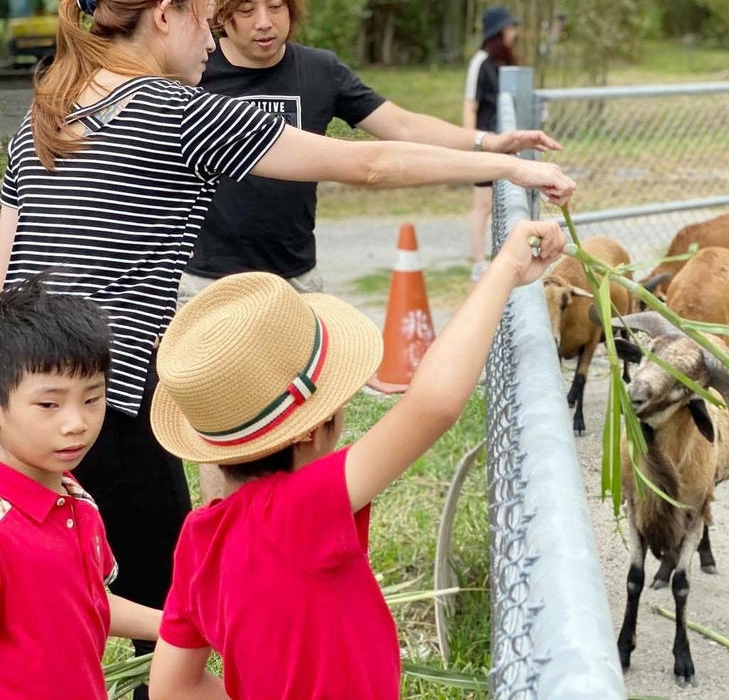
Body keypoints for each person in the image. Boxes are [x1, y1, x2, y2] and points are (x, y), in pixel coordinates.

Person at [0, 0, 574, 687]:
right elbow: (363, 162)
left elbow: (8, 265)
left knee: (58, 596)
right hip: (111, 402)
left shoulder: (48, 111)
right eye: (208, 19)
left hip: (26, 397)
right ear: (166, 16)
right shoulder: (174, 109)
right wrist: (504, 165)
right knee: (177, 609)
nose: (214, 38)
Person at [146, 219, 565, 699]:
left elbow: (172, 687)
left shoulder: (199, 542)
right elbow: (434, 404)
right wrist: (507, 268)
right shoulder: (301, 509)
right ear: (310, 429)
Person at [179, 0, 561, 307]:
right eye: (247, 10)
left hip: (297, 281)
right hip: (208, 284)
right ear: (223, 14)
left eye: (275, 6)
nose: (263, 21)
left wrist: (488, 142)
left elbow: (403, 127)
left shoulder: (320, 70)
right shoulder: (194, 72)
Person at [0, 274, 162, 700]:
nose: (77, 423)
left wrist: (178, 627)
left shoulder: (75, 498)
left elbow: (84, 603)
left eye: (92, 399)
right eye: (49, 404)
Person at [464, 5, 521, 281]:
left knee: (508, 204)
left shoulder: (507, 62)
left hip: (509, 145)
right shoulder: (481, 61)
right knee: (483, 205)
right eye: (510, 27)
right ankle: (478, 263)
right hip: (484, 144)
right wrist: (470, 144)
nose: (514, 32)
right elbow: (470, 105)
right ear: (499, 31)